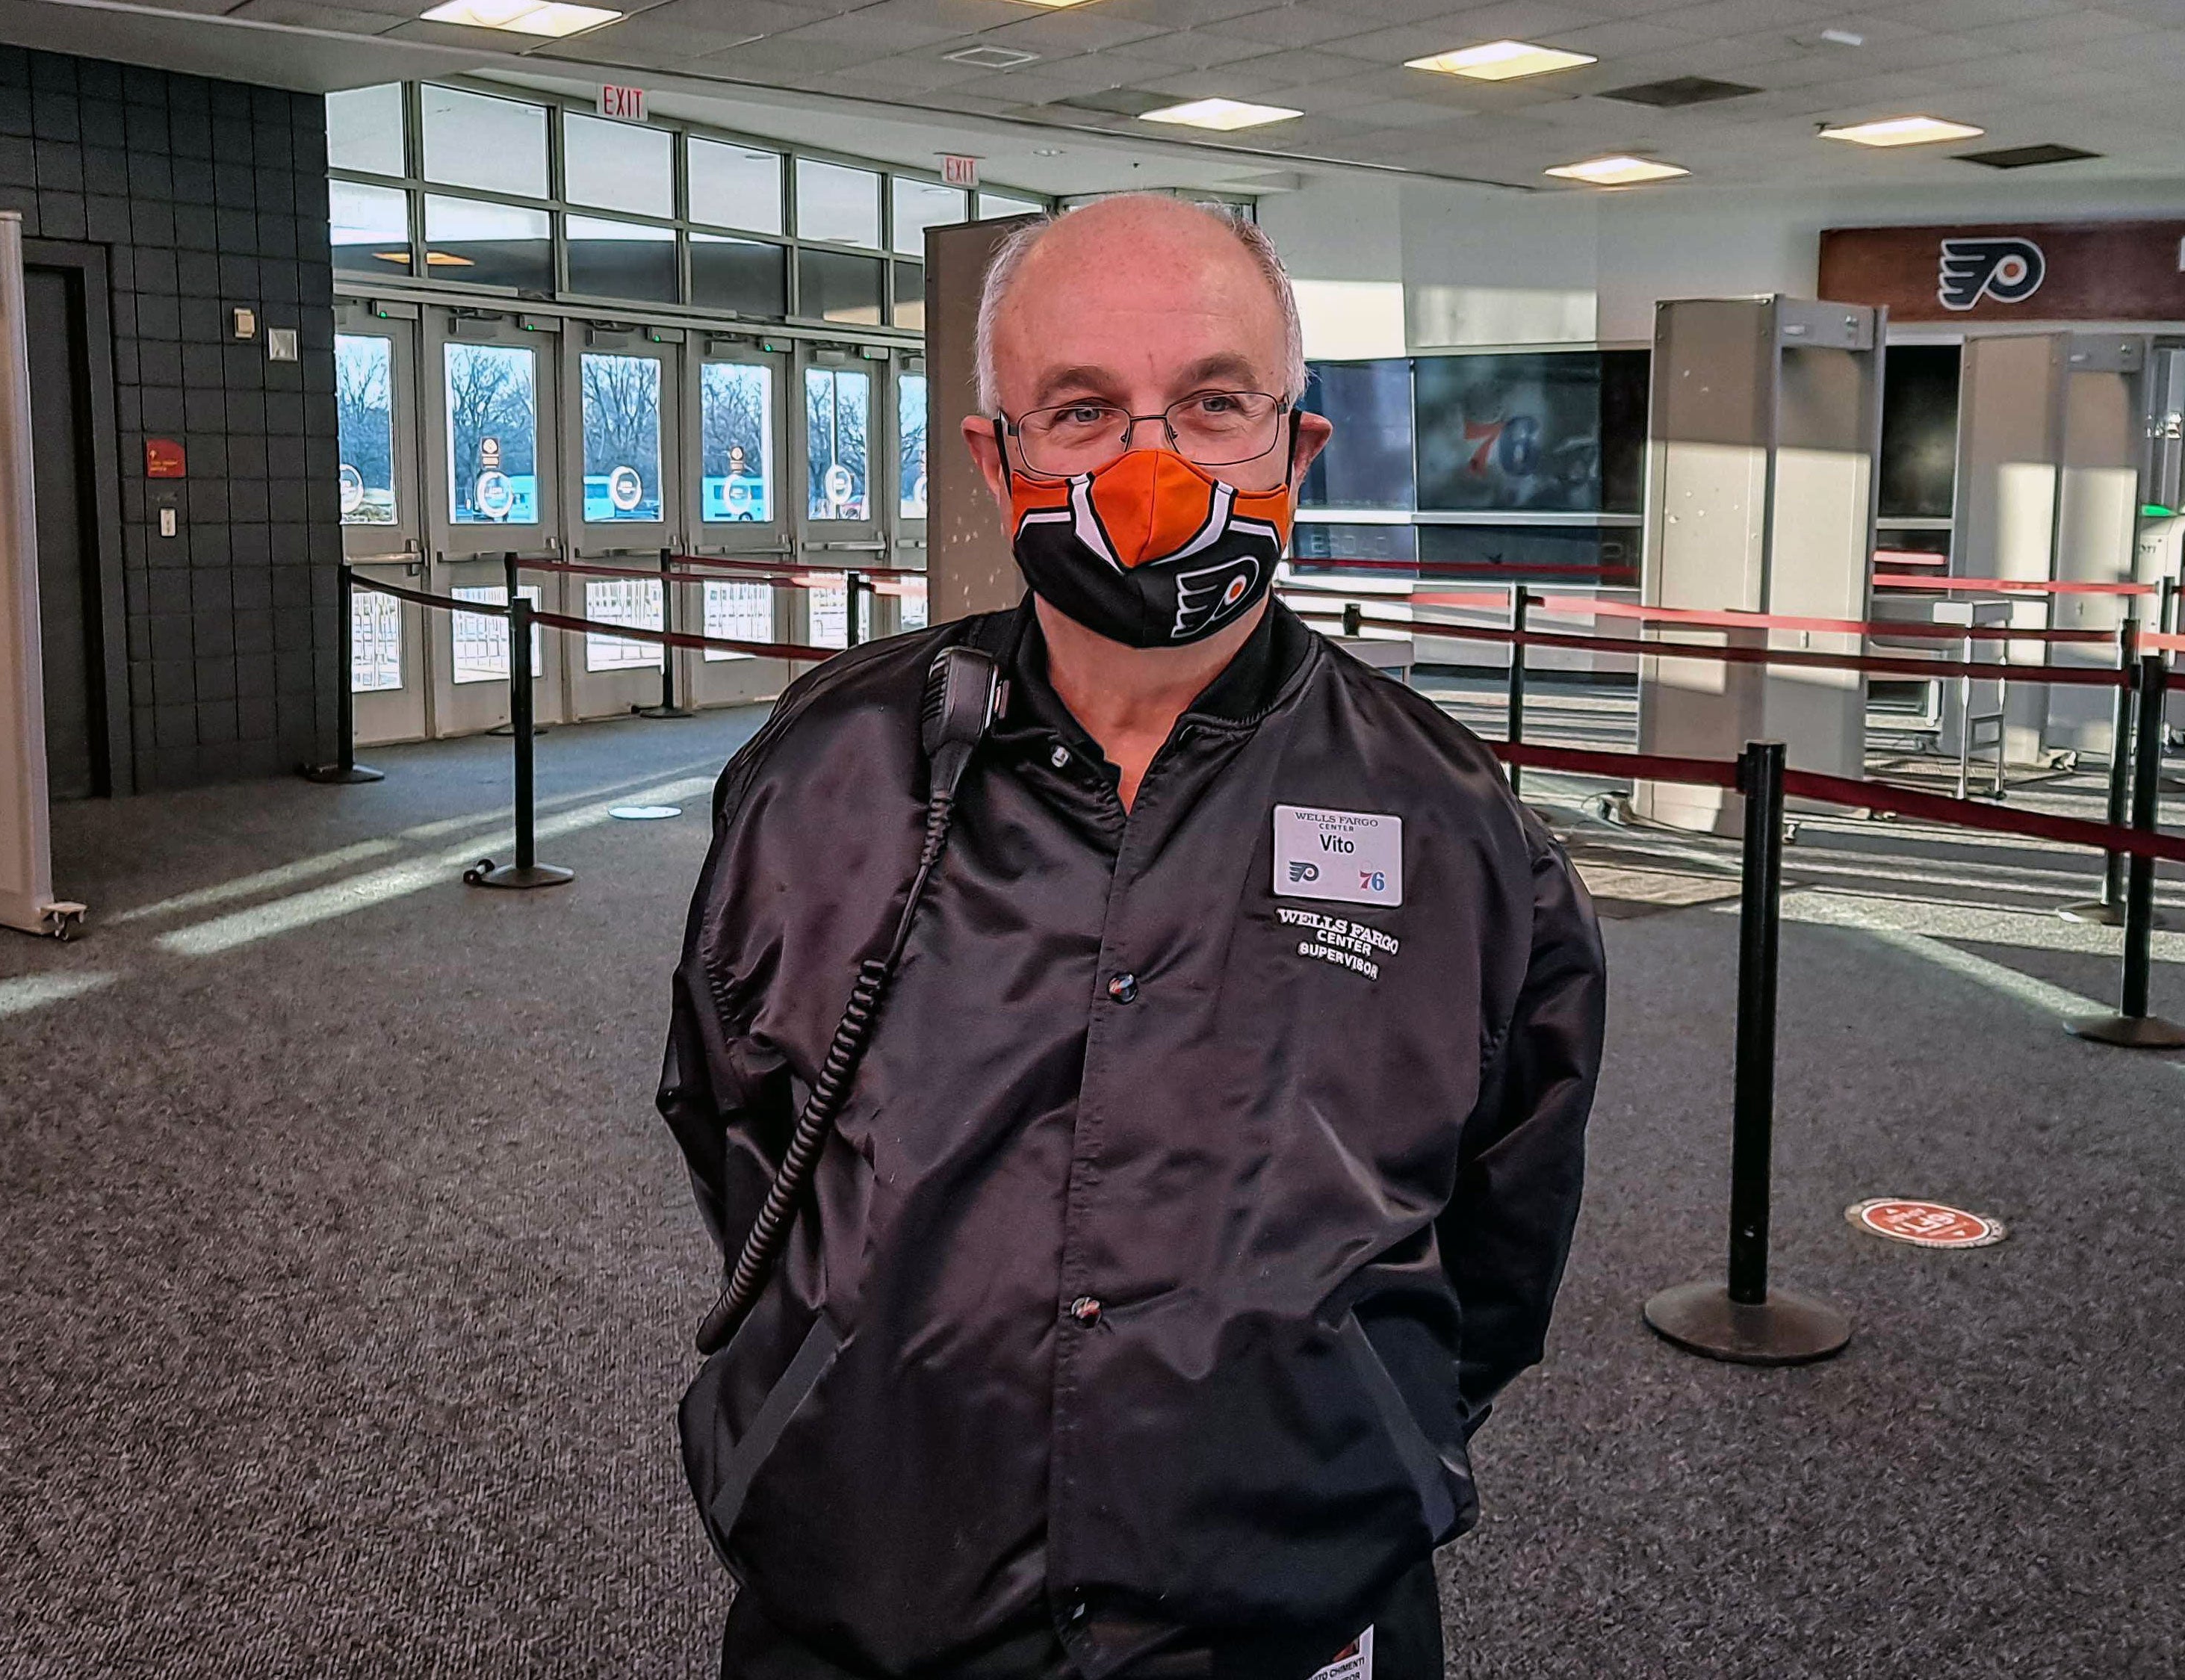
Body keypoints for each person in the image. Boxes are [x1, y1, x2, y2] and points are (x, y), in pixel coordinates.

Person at [658, 195, 1605, 1680]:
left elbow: (1500, 1237)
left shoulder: (1453, 826)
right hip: (873, 1606)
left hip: (1282, 1624)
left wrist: (1348, 1418)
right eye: (1083, 409)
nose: (1154, 473)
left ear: (1296, 447)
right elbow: (739, 1130)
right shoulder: (822, 775)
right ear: (998, 459)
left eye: (1216, 405)